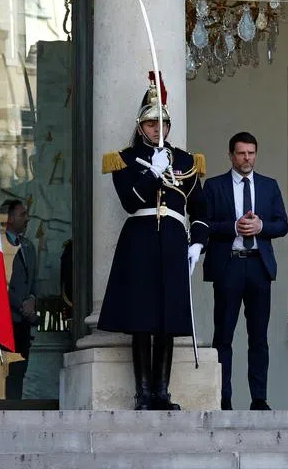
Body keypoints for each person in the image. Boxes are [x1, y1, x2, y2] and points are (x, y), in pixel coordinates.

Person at [99, 73, 209, 410]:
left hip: (174, 241)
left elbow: (200, 208)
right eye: (151, 124)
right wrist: (151, 172)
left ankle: (162, 392)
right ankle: (143, 393)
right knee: (142, 321)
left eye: (163, 123)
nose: (157, 129)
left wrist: (197, 243)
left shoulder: (187, 161)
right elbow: (130, 202)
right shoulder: (125, 160)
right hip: (141, 241)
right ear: (140, 126)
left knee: (166, 321)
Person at [203, 131, 288, 411]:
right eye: (241, 153)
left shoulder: (269, 185)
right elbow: (202, 225)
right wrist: (233, 227)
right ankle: (223, 397)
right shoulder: (214, 186)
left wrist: (261, 227)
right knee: (223, 336)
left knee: (259, 337)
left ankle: (259, 398)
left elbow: (282, 225)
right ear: (231, 155)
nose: (247, 158)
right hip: (229, 264)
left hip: (258, 265)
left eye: (251, 152)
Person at [2, 198, 38, 400]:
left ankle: (15, 405)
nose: (27, 219)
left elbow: (34, 280)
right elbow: (0, 284)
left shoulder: (28, 246)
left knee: (20, 370)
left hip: (24, 321)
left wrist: (32, 300)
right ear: (10, 217)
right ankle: (7, 407)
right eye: (23, 214)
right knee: (7, 370)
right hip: (7, 319)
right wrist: (21, 305)